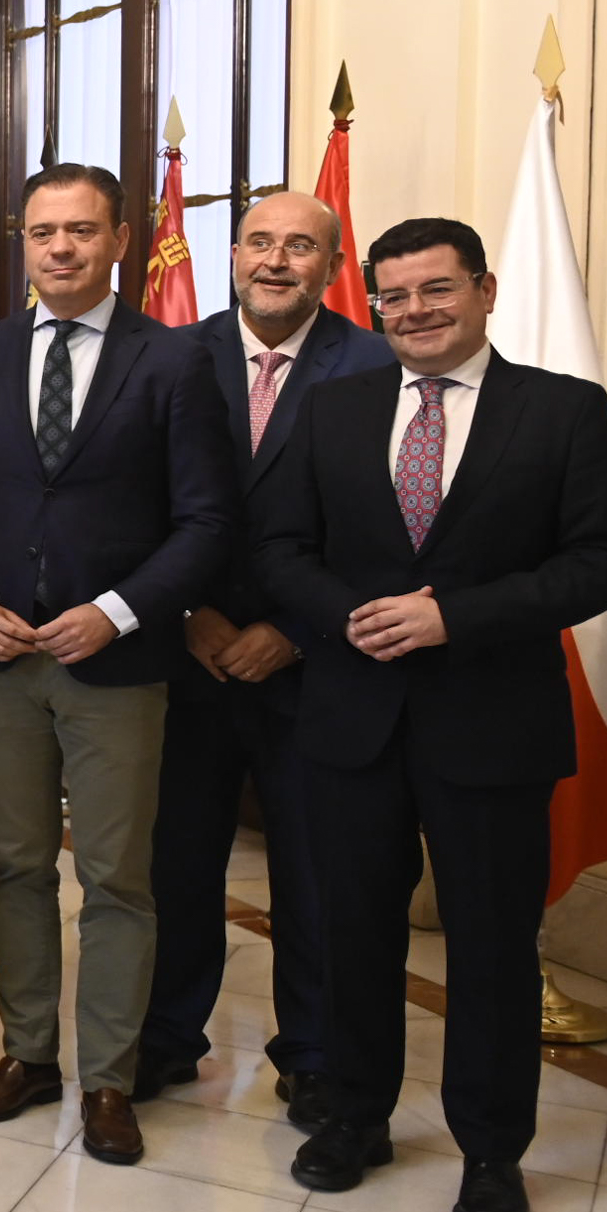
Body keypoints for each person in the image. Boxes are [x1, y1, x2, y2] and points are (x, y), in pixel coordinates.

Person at [255, 217, 607, 1212]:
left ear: (485, 288)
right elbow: (281, 545)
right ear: (370, 300)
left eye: (437, 289)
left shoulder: (561, 411)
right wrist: (346, 613)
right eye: (394, 296)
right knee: (352, 934)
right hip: (353, 719)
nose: (415, 311)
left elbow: (605, 561)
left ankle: (491, 1152)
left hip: (493, 725)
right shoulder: (333, 410)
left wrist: (451, 615)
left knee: (493, 948)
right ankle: (354, 1115)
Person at [0, 162, 234, 1167]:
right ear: (22, 241)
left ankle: (109, 1075)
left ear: (119, 240)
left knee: (116, 877)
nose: (59, 247)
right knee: (15, 864)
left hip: (119, 661)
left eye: (80, 230)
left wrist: (115, 612)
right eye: (42, 230)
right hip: (2, 659)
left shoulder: (176, 360)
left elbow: (206, 521)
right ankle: (27, 1054)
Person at [141, 193, 387, 1120]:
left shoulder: (373, 362)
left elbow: (384, 525)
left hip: (315, 663)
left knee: (314, 872)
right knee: (178, 862)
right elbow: (142, 501)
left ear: (330, 262)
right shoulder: (171, 356)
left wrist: (296, 628)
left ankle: (314, 1055)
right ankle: (166, 1035)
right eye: (258, 243)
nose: (275, 261)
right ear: (230, 253)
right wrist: (193, 612)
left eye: (300, 247)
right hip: (186, 658)